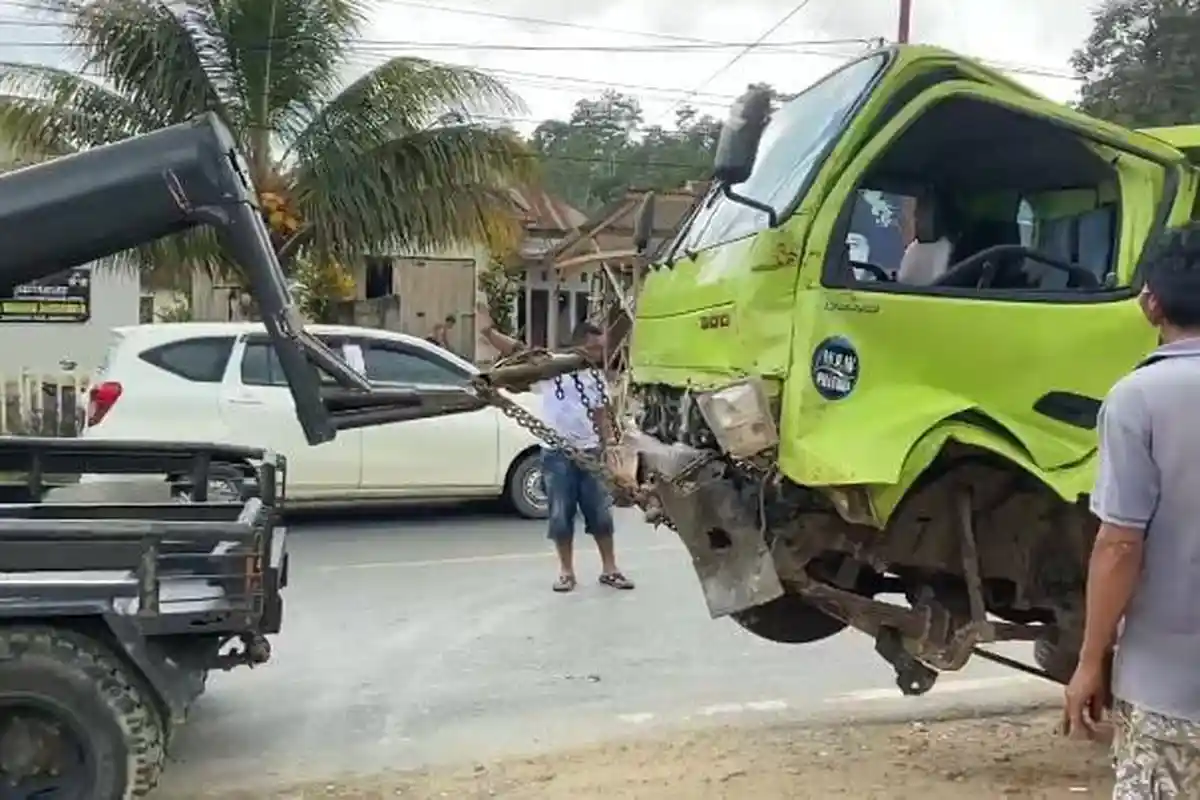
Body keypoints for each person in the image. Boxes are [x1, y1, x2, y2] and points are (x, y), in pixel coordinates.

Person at [1062, 223, 1200, 797]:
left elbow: (1119, 545)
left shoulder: (1137, 400)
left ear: (1151, 304)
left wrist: (1089, 660)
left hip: (1169, 690)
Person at [476, 302, 635, 593]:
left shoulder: (595, 376)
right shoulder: (550, 368)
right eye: (594, 349)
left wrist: (610, 446)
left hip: (590, 453)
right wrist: (489, 333)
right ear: (579, 346)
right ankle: (566, 572)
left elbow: (601, 415)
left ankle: (610, 569)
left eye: (600, 349)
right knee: (560, 516)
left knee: (600, 515)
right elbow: (518, 352)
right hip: (556, 454)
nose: (598, 355)